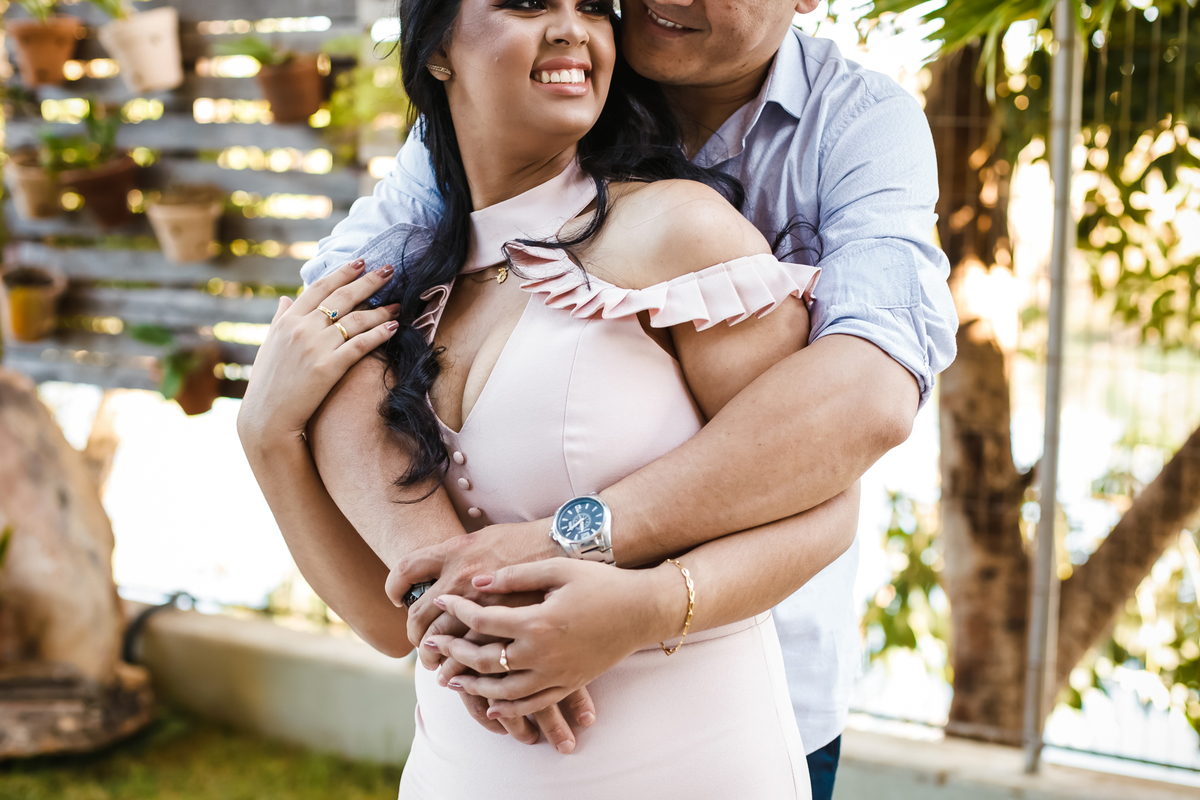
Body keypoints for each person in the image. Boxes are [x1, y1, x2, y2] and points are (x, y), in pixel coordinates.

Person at [298, 2, 957, 798]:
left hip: (738, 681)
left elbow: (866, 403)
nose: (575, 26)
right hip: (479, 736)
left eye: (584, 5)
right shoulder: (516, 111)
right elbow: (329, 330)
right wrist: (464, 601)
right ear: (439, 53)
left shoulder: (837, 135)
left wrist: (570, 552)